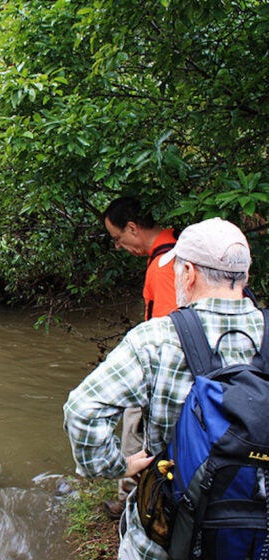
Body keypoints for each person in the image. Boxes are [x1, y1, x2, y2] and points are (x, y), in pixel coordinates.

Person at [64, 217, 262, 559]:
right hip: (256, 534)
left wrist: (115, 465)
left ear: (188, 274)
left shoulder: (157, 339)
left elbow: (82, 410)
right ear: (244, 275)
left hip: (165, 533)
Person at [101, 196, 179, 518]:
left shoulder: (164, 266)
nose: (119, 247)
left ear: (132, 228)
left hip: (161, 369)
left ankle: (131, 499)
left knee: (133, 427)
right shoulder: (175, 246)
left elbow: (168, 332)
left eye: (117, 238)